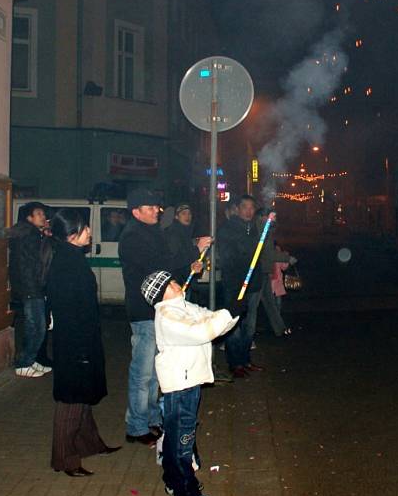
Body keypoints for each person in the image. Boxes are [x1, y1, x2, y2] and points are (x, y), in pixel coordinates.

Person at [118, 188, 211, 446]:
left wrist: (187, 267)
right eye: (149, 208)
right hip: (144, 311)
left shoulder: (150, 231)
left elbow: (166, 267)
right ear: (136, 212)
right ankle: (136, 427)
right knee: (143, 372)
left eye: (156, 207)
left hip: (159, 309)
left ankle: (152, 419)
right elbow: (158, 265)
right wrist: (193, 250)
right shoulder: (133, 237)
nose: (156, 211)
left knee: (156, 371)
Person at [140, 270, 238, 496]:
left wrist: (230, 311)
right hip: (181, 385)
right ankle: (185, 493)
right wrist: (227, 314)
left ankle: (174, 480)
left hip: (189, 380)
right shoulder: (168, 315)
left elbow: (209, 319)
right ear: (162, 293)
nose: (177, 283)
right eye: (171, 283)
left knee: (176, 437)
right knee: (182, 439)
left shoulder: (182, 307)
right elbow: (201, 332)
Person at [43, 209, 120, 477]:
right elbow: (70, 310)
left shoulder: (71, 257)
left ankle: (90, 443)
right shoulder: (66, 264)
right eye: (86, 228)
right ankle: (64, 459)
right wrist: (82, 349)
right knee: (71, 400)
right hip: (74, 343)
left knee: (82, 395)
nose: (90, 232)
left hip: (80, 339)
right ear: (73, 234)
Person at [216, 194, 264, 378]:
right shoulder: (228, 228)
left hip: (253, 283)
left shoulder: (253, 227)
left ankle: (245, 359)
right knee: (234, 325)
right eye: (245, 207)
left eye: (252, 207)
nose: (249, 211)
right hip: (235, 284)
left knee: (249, 326)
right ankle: (235, 363)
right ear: (237, 209)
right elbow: (232, 255)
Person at [8, 201, 53, 378]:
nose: (43, 217)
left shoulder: (31, 234)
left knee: (35, 326)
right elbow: (31, 265)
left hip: (31, 287)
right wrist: (35, 288)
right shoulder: (30, 235)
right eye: (39, 214)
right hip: (31, 288)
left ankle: (31, 360)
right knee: (37, 326)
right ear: (29, 218)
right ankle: (24, 363)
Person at [257, 209, 295, 337]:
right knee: (252, 305)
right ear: (263, 217)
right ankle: (244, 334)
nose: (274, 219)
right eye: (271, 217)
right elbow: (268, 253)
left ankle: (280, 329)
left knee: (269, 302)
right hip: (260, 272)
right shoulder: (262, 231)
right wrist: (286, 258)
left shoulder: (265, 231)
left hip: (263, 271)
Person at [164, 203, 203, 294]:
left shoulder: (187, 232)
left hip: (186, 281)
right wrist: (197, 250)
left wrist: (194, 266)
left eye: (189, 213)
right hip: (176, 283)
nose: (187, 216)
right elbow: (174, 260)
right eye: (183, 213)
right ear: (176, 217)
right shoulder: (173, 234)